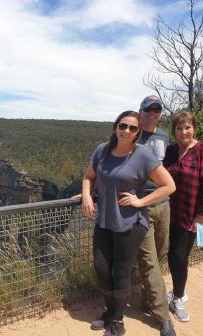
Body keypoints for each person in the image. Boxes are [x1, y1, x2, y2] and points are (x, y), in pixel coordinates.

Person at [81, 111, 175, 336]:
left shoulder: (142, 155)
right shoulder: (102, 150)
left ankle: (117, 321)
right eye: (123, 126)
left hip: (131, 222)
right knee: (103, 268)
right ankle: (110, 311)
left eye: (133, 128)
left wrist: (140, 200)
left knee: (120, 270)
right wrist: (86, 195)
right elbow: (88, 177)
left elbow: (169, 185)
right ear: (116, 127)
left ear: (138, 132)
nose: (127, 131)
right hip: (104, 220)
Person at [136, 95, 177, 336]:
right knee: (149, 260)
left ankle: (147, 297)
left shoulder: (163, 136)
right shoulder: (131, 133)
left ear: (161, 113)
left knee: (161, 252)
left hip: (164, 202)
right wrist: (89, 191)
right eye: (148, 109)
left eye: (156, 109)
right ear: (140, 111)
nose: (152, 113)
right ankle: (163, 317)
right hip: (141, 205)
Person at [163, 110, 203, 322]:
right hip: (167, 212)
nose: (184, 131)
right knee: (172, 255)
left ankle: (177, 297)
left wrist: (200, 216)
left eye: (187, 127)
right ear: (174, 131)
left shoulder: (201, 151)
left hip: (189, 215)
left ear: (194, 128)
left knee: (179, 257)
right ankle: (178, 291)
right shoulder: (170, 151)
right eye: (179, 127)